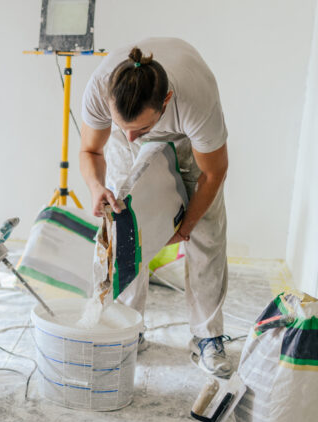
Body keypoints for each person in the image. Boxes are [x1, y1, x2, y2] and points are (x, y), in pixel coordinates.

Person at [79, 37, 232, 377]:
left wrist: (187, 225)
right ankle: (127, 328)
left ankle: (208, 337)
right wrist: (96, 187)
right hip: (127, 137)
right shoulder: (100, 90)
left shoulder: (194, 99)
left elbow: (214, 172)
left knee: (206, 233)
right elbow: (91, 151)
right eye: (125, 126)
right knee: (123, 228)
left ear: (166, 100)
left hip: (184, 138)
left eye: (142, 128)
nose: (135, 137)